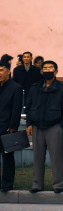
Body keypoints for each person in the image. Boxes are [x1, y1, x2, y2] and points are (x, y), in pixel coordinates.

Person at [27, 61, 63, 193]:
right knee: (37, 157)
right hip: (37, 127)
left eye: (50, 68)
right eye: (45, 68)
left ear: (56, 71)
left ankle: (58, 185)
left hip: (54, 127)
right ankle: (37, 185)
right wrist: (29, 123)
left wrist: (61, 125)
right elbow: (29, 107)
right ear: (42, 71)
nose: (47, 70)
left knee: (56, 158)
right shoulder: (35, 87)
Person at [0, 59, 23, 192]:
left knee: (8, 157)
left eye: (1, 70)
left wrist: (13, 127)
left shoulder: (16, 87)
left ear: (8, 71)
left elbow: (16, 109)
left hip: (7, 128)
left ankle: (7, 184)